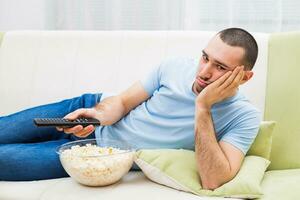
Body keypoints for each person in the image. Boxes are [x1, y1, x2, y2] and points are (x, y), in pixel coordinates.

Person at [0, 28, 260, 189]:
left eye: (221, 67)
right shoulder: (174, 66)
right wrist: (98, 115)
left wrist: (203, 107)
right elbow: (124, 102)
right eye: (205, 57)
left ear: (244, 77)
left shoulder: (244, 117)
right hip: (88, 111)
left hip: (103, 156)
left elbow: (214, 180)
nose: (204, 72)